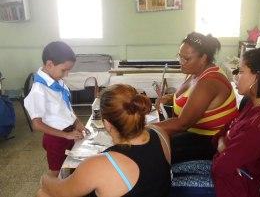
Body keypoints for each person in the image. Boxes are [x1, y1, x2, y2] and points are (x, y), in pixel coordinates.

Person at [37, 84, 171, 197]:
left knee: (43, 193)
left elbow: (60, 190)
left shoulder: (99, 165)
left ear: (106, 123)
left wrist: (45, 179)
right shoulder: (160, 133)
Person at [212, 47, 260, 197]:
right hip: (229, 177)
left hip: (234, 189)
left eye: (240, 71)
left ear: (257, 77)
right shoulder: (254, 105)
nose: (236, 76)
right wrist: (223, 146)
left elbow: (220, 167)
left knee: (169, 181)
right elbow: (219, 135)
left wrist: (224, 143)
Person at [156, 32, 238, 163]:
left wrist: (145, 129)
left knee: (152, 149)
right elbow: (191, 96)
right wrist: (170, 98)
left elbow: (182, 124)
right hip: (194, 134)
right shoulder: (195, 72)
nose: (181, 62)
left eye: (186, 59)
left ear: (203, 58)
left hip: (210, 143)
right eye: (180, 57)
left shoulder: (209, 82)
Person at [24, 41, 87, 177]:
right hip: (55, 139)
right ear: (49, 64)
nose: (66, 74)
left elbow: (66, 107)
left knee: (69, 166)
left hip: (68, 133)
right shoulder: (39, 90)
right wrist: (65, 135)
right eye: (64, 70)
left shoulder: (57, 82)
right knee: (56, 172)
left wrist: (78, 123)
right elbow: (37, 124)